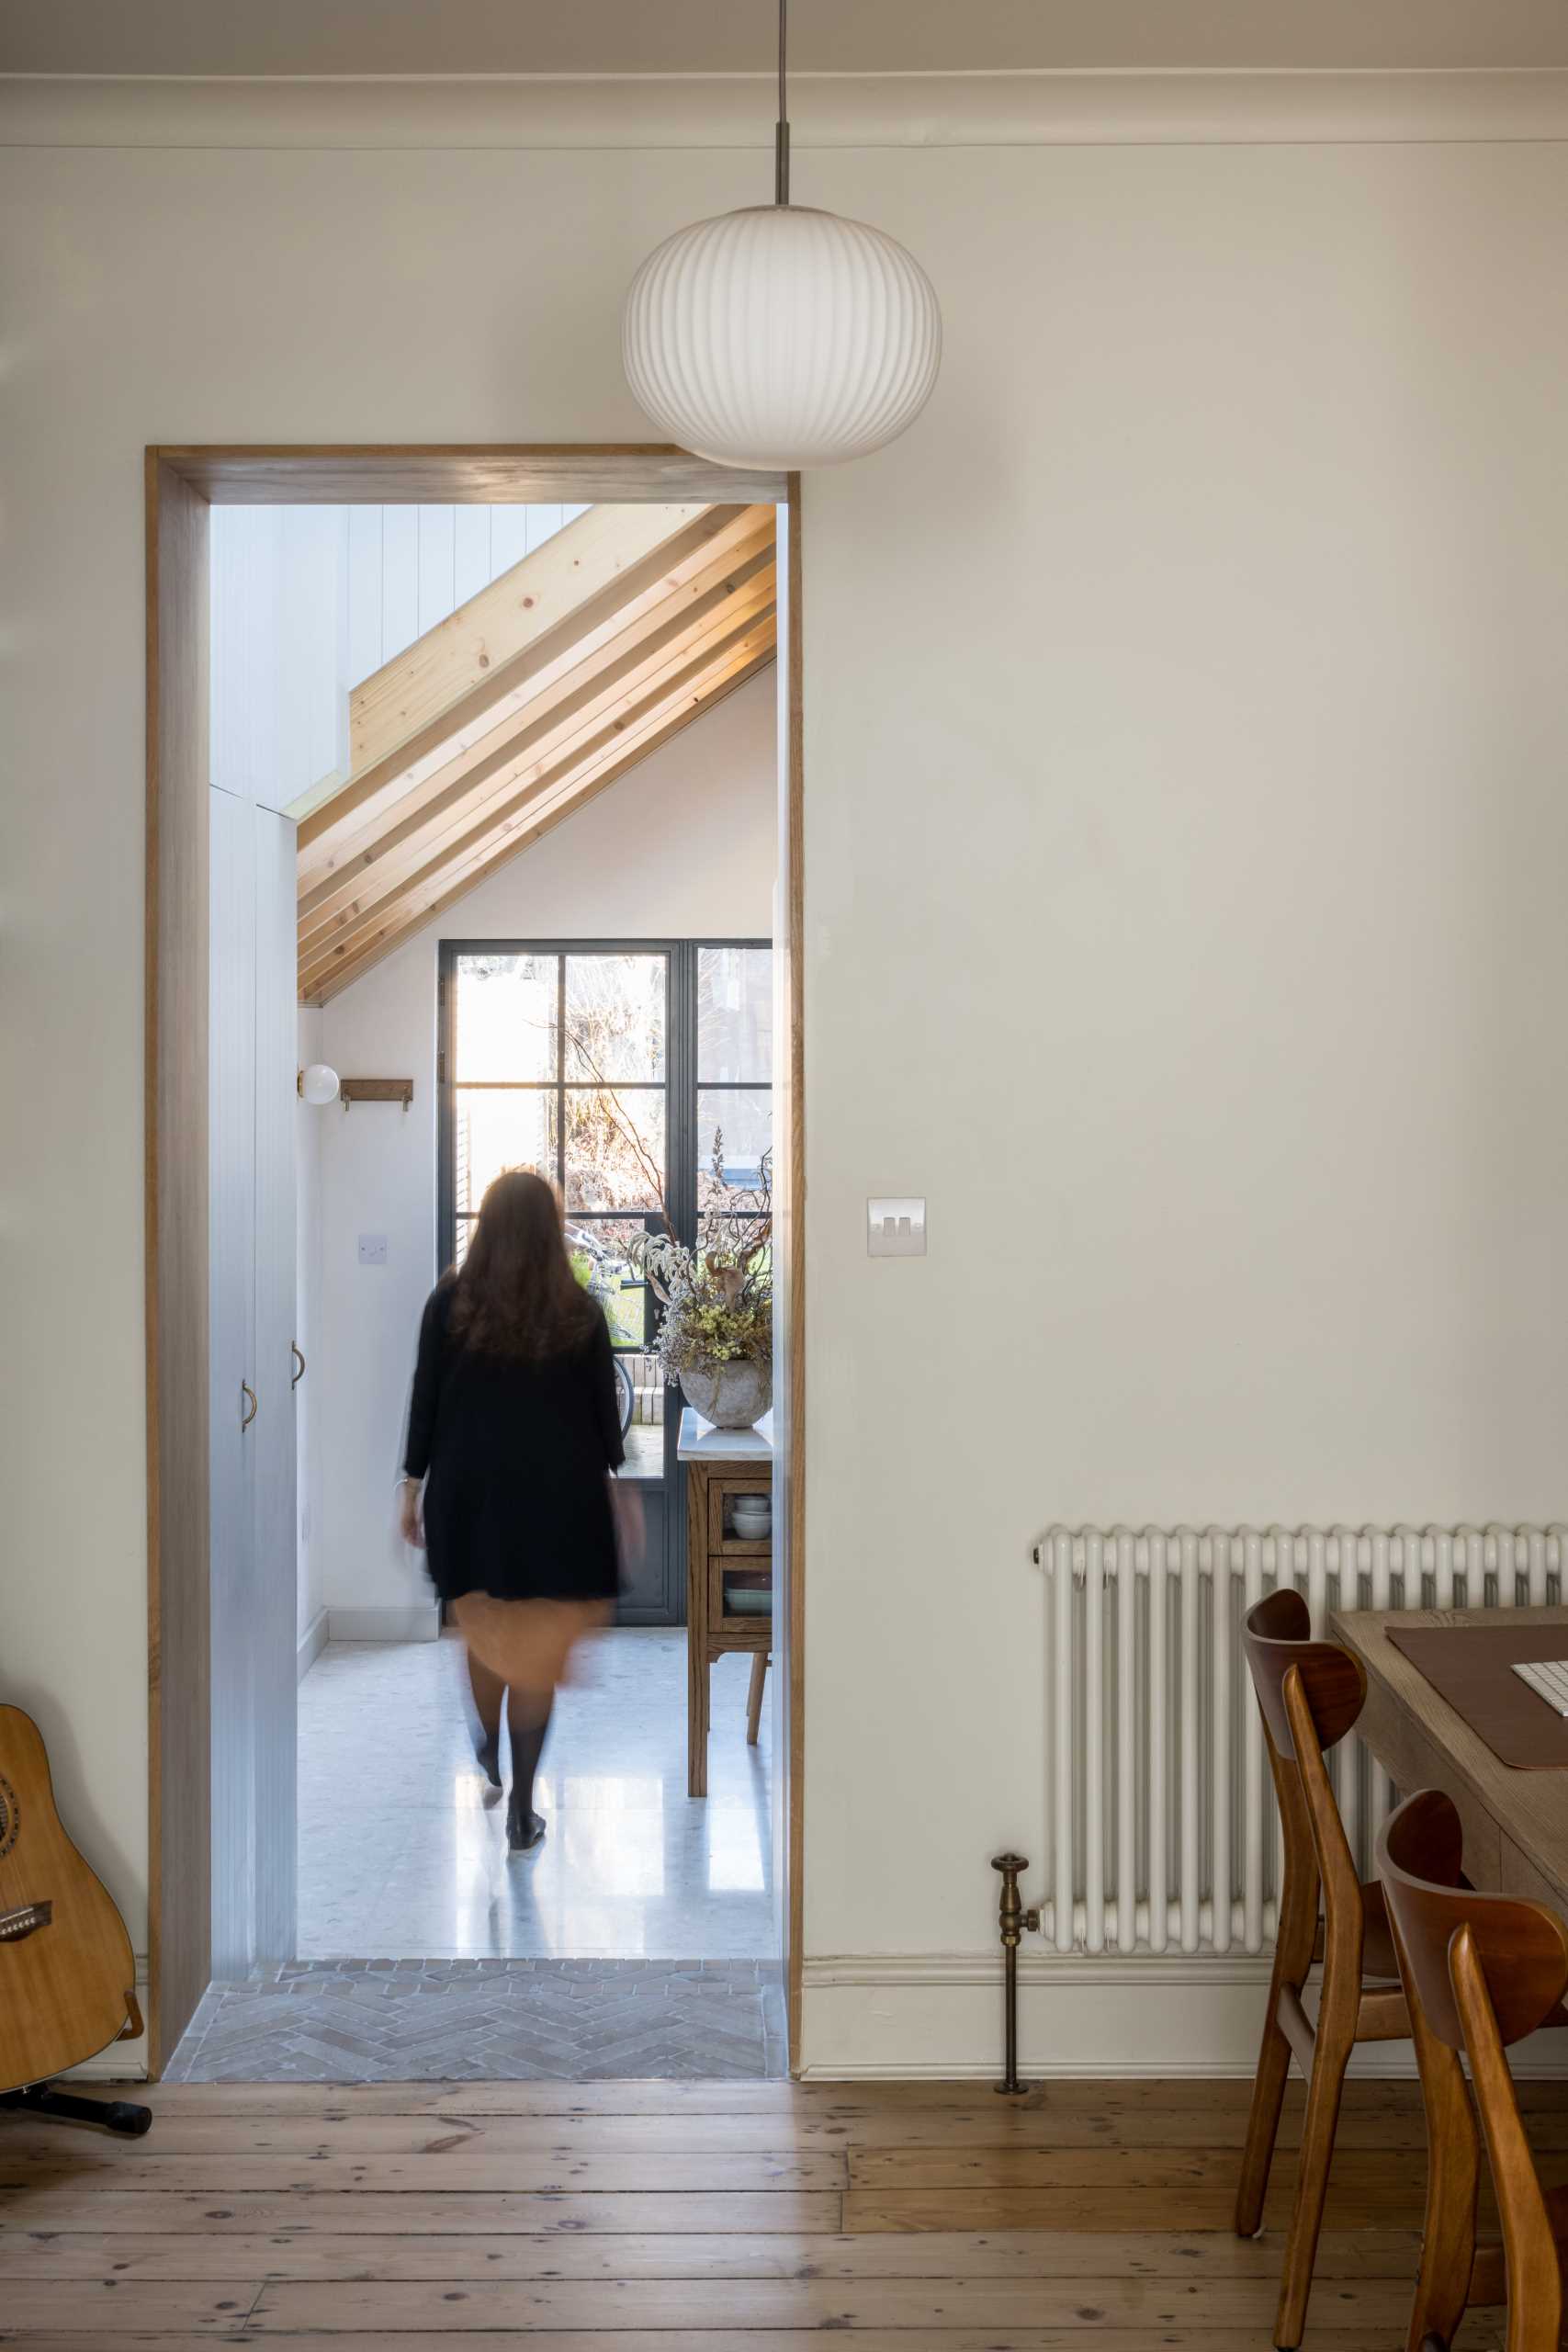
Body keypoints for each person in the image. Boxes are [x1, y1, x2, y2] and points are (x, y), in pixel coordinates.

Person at [398, 1169, 642, 1854]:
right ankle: (522, 1810)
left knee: (484, 1630)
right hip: (557, 1505)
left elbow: (427, 1401)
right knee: (535, 1652)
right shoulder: (580, 1310)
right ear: (549, 1230)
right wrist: (619, 1493)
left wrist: (410, 1485)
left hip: (468, 1501)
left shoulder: (447, 1304)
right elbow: (604, 1421)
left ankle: (486, 1749)